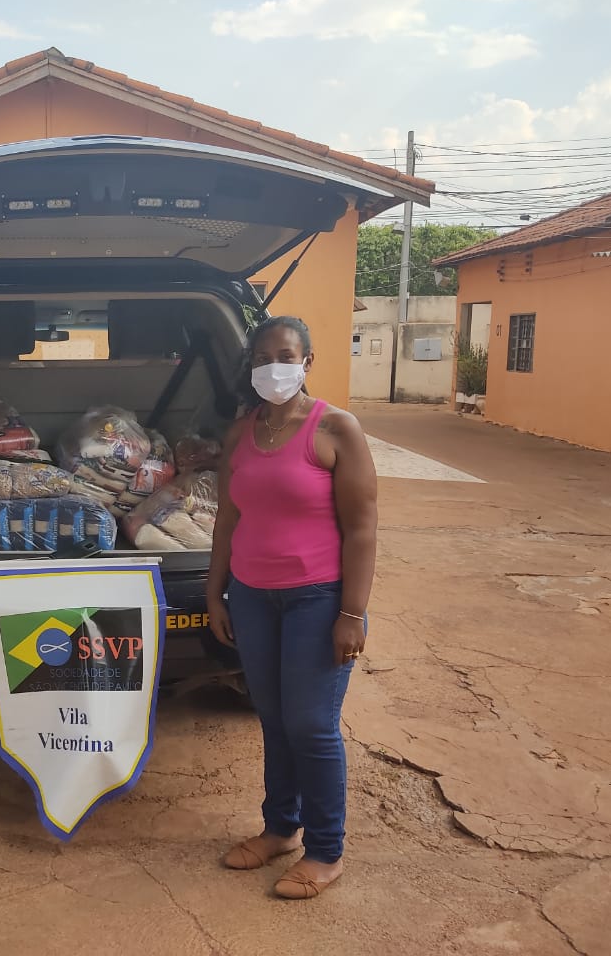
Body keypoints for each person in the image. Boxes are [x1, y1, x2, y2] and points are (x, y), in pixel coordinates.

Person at [206, 315, 378, 900]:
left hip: (318, 598)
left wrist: (351, 613)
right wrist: (215, 593)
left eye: (284, 356)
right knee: (273, 718)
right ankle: (280, 828)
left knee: (311, 724)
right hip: (253, 596)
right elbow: (227, 521)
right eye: (261, 358)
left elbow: (362, 529)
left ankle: (326, 849)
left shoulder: (336, 428)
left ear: (307, 361)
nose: (272, 367)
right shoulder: (241, 433)